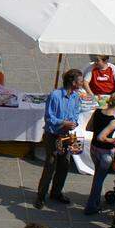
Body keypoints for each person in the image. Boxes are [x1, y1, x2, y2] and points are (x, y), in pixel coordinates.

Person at [34, 68, 82, 208]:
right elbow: (49, 118)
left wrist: (73, 123)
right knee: (50, 165)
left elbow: (76, 113)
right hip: (53, 135)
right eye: (79, 81)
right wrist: (63, 123)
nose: (82, 83)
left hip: (67, 135)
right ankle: (41, 196)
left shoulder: (76, 96)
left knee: (64, 165)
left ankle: (56, 192)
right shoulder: (55, 95)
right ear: (72, 82)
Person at [83, 92, 115, 215]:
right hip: (105, 152)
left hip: (94, 148)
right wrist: (113, 140)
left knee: (98, 176)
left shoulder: (97, 112)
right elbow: (102, 137)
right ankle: (91, 205)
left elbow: (89, 128)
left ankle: (95, 202)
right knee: (99, 179)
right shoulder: (113, 121)